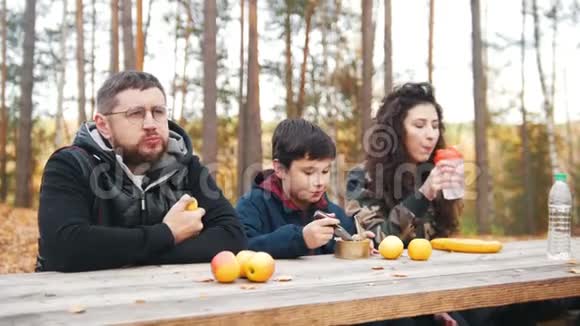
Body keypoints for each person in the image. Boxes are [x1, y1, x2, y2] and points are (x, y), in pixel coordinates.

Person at [36, 71, 246, 272]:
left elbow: (232, 236)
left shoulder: (187, 167)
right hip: (75, 300)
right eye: (136, 114)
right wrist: (168, 234)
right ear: (103, 125)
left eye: (158, 112)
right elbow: (66, 247)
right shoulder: (71, 164)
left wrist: (132, 255)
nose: (150, 124)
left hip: (169, 297)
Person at [346, 82, 469, 326]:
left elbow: (444, 241)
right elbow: (379, 243)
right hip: (383, 294)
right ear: (396, 131)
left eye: (435, 126)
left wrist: (439, 302)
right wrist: (422, 195)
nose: (431, 134)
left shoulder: (435, 171)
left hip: (433, 287)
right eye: (419, 125)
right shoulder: (364, 178)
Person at [236, 118, 362, 259]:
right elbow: (240, 248)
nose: (320, 182)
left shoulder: (332, 212)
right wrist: (300, 239)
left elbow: (348, 244)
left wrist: (358, 244)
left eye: (325, 171)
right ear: (280, 169)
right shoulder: (252, 206)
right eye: (308, 172)